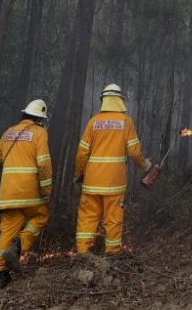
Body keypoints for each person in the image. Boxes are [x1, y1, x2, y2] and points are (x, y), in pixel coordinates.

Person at [73, 84, 150, 256]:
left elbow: (81, 153)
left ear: (104, 101)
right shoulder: (126, 122)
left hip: (91, 183)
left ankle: (83, 255)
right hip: (114, 183)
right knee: (113, 220)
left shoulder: (93, 122)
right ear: (120, 101)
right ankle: (112, 257)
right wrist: (144, 165)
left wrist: (78, 175)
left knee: (87, 219)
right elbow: (134, 151)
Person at [0, 99, 53, 289]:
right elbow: (43, 163)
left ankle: (1, 274)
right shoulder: (40, 133)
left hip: (8, 194)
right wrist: (46, 190)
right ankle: (19, 246)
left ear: (24, 115)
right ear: (40, 119)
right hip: (30, 192)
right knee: (41, 216)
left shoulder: (8, 132)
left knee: (8, 230)